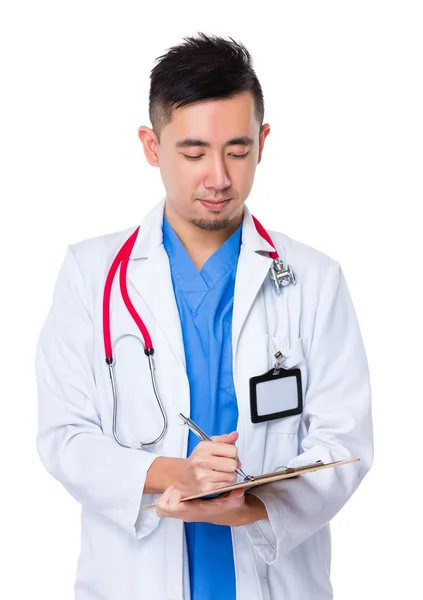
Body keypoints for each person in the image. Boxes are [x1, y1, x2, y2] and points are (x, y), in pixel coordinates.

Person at [35, 32, 373, 600]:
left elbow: (343, 442)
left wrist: (253, 507)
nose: (218, 177)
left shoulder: (314, 279)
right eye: (193, 153)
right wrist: (176, 474)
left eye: (237, 150)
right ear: (151, 145)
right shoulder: (90, 275)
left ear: (263, 142)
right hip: (131, 580)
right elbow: (65, 438)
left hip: (275, 580)